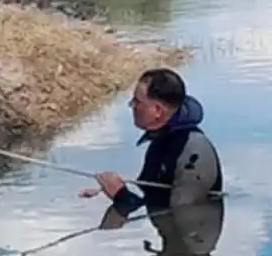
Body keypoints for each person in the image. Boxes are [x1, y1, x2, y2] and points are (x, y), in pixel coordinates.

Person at [80, 68, 223, 212]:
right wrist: (107, 189)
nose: (132, 107)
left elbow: (180, 213)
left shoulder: (193, 150)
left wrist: (121, 196)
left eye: (137, 102)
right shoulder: (163, 140)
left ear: (157, 110)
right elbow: (149, 191)